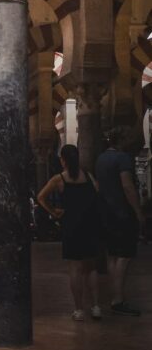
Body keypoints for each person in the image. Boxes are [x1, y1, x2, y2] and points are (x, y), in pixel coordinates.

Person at [37, 144, 101, 321]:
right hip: (90, 225)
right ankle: (96, 307)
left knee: (75, 268)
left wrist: (53, 211)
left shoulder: (60, 179)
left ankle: (79, 310)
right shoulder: (87, 175)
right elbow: (97, 193)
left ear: (63, 160)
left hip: (72, 226)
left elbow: (40, 197)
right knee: (91, 267)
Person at [95, 127, 145, 316]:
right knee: (124, 256)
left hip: (106, 214)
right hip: (122, 214)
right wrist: (138, 212)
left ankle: (115, 296)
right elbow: (127, 186)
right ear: (122, 139)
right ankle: (118, 299)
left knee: (113, 256)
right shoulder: (123, 158)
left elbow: (98, 186)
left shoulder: (100, 159)